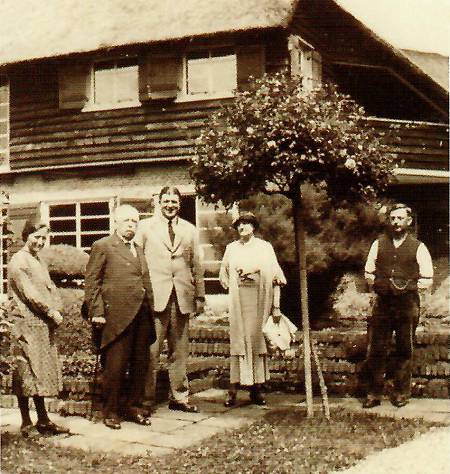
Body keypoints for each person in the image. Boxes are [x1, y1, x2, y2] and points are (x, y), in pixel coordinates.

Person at [84, 205, 156, 429]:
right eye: (126, 221)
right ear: (115, 222)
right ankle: (111, 411)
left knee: (140, 365)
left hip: (142, 315)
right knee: (115, 367)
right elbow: (92, 282)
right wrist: (97, 312)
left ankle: (133, 407)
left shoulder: (139, 249)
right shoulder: (103, 246)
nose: (131, 225)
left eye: (135, 222)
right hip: (116, 317)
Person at [135, 187, 205, 413]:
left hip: (181, 296)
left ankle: (180, 397)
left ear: (179, 204)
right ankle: (146, 400)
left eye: (174, 201)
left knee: (179, 350)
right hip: (154, 296)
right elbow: (137, 262)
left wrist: (200, 295)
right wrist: (140, 292)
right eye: (166, 201)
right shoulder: (145, 227)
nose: (170, 205)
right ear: (159, 202)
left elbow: (196, 264)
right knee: (151, 350)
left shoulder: (190, 230)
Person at [362, 203, 433, 408]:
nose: (395, 222)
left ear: (408, 221)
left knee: (404, 348)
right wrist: (380, 285)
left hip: (407, 304)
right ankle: (374, 393)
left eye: (400, 218)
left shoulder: (418, 247)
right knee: (377, 348)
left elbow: (427, 278)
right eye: (392, 218)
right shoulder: (378, 244)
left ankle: (401, 393)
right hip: (383, 303)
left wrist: (407, 287)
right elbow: (368, 272)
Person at [8, 219, 69, 437]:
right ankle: (26, 423)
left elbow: (49, 288)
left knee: (39, 373)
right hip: (26, 324)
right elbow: (30, 294)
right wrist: (50, 311)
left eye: (44, 238)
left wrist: (57, 307)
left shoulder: (38, 259)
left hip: (40, 324)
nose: (40, 242)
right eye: (37, 237)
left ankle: (43, 419)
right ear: (27, 235)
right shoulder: (19, 261)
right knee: (25, 372)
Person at [219, 212, 286, 407]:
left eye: (247, 223)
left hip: (259, 302)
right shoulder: (231, 249)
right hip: (239, 302)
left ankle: (257, 389)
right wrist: (237, 280)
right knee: (239, 342)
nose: (242, 227)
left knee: (257, 342)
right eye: (239, 224)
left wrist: (276, 306)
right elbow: (223, 276)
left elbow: (276, 278)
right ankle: (233, 389)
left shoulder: (265, 248)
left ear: (254, 226)